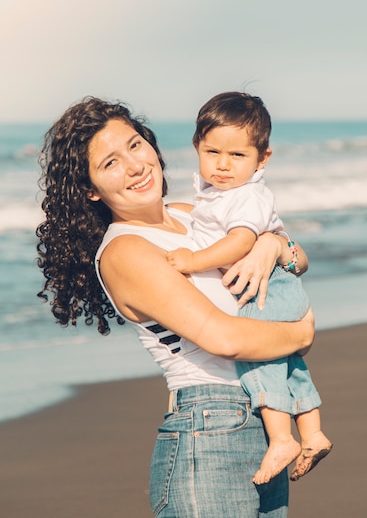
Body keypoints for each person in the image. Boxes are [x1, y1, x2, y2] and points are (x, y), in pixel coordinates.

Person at [36, 96, 315, 518]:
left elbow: (294, 258)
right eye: (110, 163)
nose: (134, 165)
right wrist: (302, 332)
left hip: (263, 414)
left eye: (134, 145)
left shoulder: (191, 214)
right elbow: (224, 338)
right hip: (209, 429)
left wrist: (273, 245)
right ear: (91, 189)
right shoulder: (124, 251)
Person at [167, 92, 332, 484]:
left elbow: (241, 242)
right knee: (288, 362)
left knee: (258, 358)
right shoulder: (218, 194)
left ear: (263, 158)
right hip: (280, 285)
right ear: (197, 147)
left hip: (268, 287)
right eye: (212, 152)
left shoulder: (245, 196)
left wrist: (193, 261)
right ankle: (312, 433)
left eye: (237, 156)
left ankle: (281, 439)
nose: (223, 165)